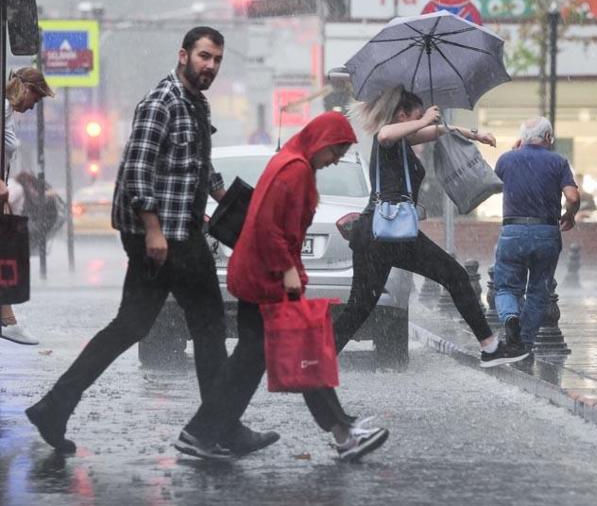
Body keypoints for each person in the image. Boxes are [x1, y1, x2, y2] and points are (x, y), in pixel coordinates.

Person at [26, 27, 273, 455]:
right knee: (209, 325)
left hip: (177, 232)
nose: (210, 66)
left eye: (216, 59)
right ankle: (219, 428)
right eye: (203, 57)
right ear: (183, 55)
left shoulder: (195, 103)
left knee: (132, 326)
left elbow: (197, 166)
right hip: (165, 236)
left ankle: (54, 407)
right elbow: (137, 169)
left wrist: (227, 198)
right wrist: (153, 230)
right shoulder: (162, 102)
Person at [178, 111, 388, 461]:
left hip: (255, 275)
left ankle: (201, 434)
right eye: (335, 151)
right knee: (304, 353)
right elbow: (269, 228)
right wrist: (288, 269)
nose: (335, 161)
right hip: (268, 281)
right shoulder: (297, 170)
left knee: (255, 360)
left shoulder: (288, 161)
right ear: (321, 143)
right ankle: (343, 432)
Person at [334, 85, 528, 367]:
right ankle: (490, 347)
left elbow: (441, 131)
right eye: (414, 117)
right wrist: (424, 119)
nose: (420, 124)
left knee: (360, 307)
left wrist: (475, 135)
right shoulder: (388, 137)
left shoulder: (402, 142)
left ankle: (316, 360)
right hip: (386, 232)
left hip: (378, 234)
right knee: (456, 277)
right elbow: (384, 133)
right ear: (402, 116)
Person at [493, 117, 580, 353]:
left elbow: (494, 185)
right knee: (538, 291)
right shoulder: (558, 161)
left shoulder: (506, 160)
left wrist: (514, 152)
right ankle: (525, 342)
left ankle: (510, 319)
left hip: (513, 230)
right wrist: (569, 215)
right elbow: (572, 197)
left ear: (522, 138)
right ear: (549, 138)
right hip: (546, 232)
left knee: (506, 288)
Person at [1, 67, 55, 345]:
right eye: (35, 99)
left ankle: (8, 320)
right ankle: (8, 321)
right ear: (26, 89)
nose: (34, 106)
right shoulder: (2, 109)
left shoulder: (8, 113)